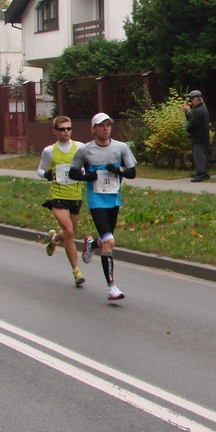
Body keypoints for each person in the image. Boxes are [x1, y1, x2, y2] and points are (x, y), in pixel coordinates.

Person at [69, 113, 137, 301]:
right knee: (110, 243)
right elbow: (73, 173)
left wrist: (117, 170)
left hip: (113, 199)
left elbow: (132, 172)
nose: (105, 128)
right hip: (96, 200)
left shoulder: (120, 147)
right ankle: (111, 287)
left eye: (108, 125)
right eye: (101, 125)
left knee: (106, 241)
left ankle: (92, 243)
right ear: (93, 129)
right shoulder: (85, 151)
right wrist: (87, 178)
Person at [37, 115, 87, 287]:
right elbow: (40, 169)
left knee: (68, 233)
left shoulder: (79, 147)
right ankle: (76, 271)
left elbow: (86, 165)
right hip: (58, 196)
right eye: (62, 129)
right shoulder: (49, 151)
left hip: (75, 195)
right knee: (69, 231)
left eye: (68, 128)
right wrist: (46, 174)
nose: (66, 131)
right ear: (55, 131)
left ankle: (54, 239)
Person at [182, 89, 211, 182]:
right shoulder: (203, 108)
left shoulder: (198, 111)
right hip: (204, 137)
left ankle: (201, 174)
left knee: (199, 156)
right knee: (203, 156)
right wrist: (188, 112)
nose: (191, 102)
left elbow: (192, 124)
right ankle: (204, 173)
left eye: (192, 100)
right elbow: (193, 117)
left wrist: (188, 129)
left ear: (196, 99)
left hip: (199, 137)